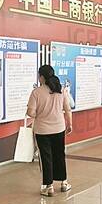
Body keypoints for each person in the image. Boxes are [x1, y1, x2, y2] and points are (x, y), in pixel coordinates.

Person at [27, 65, 73, 196]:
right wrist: (70, 124)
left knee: (46, 157)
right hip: (59, 128)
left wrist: (39, 113)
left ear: (42, 77)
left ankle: (49, 187)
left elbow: (31, 113)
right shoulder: (61, 90)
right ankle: (64, 183)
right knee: (59, 155)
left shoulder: (36, 92)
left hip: (42, 131)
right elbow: (68, 109)